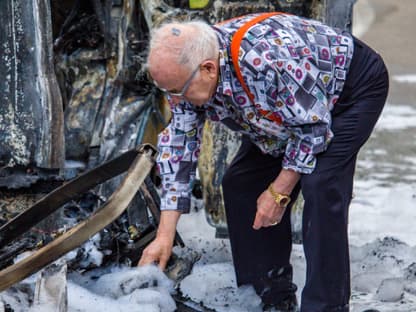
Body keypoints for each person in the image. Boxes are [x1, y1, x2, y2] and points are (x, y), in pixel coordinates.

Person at [138, 12, 389, 312]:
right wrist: (163, 236)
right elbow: (179, 149)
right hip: (286, 111)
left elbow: (312, 130)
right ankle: (269, 296)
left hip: (348, 89)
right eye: (166, 92)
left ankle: (327, 306)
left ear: (207, 69)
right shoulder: (190, 71)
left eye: (177, 91)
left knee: (321, 184)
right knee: (240, 184)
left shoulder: (264, 60)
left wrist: (278, 193)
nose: (173, 102)